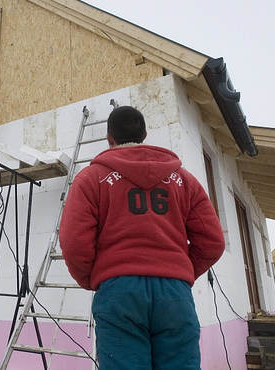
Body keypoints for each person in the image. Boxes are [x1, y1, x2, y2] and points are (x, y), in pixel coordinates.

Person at [58, 106, 225, 370]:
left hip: (118, 291)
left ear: (109, 138)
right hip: (175, 294)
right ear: (145, 134)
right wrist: (179, 270)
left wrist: (92, 278)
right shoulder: (184, 180)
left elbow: (73, 241)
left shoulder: (90, 178)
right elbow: (213, 240)